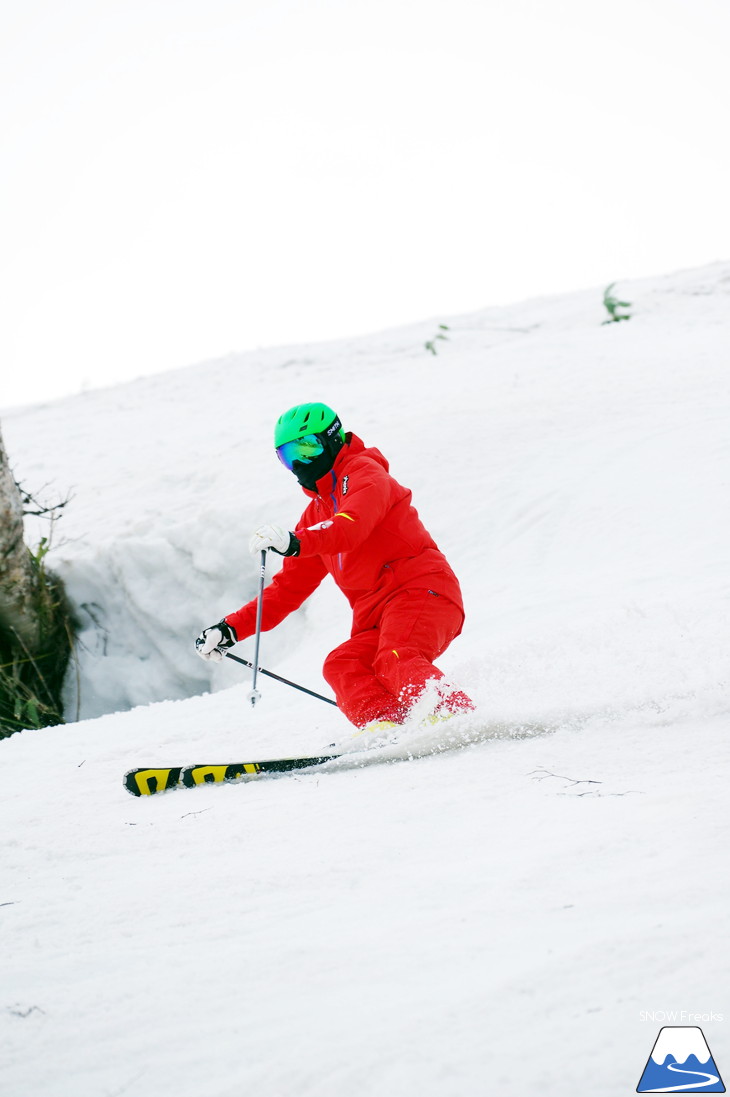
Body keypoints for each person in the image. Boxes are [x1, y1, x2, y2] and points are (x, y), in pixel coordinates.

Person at [195, 402, 473, 729]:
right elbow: (287, 592)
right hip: (376, 618)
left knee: (395, 656)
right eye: (288, 456)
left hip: (422, 593)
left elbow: (350, 526)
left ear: (332, 440)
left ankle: (455, 716)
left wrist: (296, 542)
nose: (300, 462)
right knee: (343, 664)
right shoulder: (316, 515)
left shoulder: (366, 474)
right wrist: (230, 629)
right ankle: (385, 727)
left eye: (308, 447)